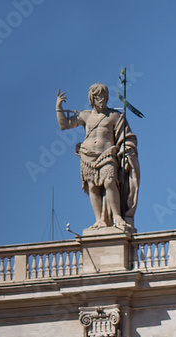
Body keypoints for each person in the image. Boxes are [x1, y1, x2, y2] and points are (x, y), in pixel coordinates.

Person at [56, 84, 139, 230]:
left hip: (107, 154)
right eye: (98, 96)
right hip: (87, 156)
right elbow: (65, 125)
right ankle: (100, 220)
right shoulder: (86, 115)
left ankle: (117, 217)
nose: (102, 99)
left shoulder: (115, 116)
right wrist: (59, 108)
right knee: (93, 187)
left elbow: (127, 137)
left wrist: (127, 152)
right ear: (92, 98)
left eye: (104, 96)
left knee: (109, 182)